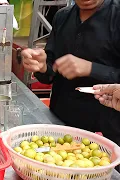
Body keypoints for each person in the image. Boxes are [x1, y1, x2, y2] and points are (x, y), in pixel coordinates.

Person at [21, 0, 120, 149]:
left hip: (106, 132)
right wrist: (41, 66)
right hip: (61, 126)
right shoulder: (62, 17)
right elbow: (51, 71)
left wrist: (91, 68)